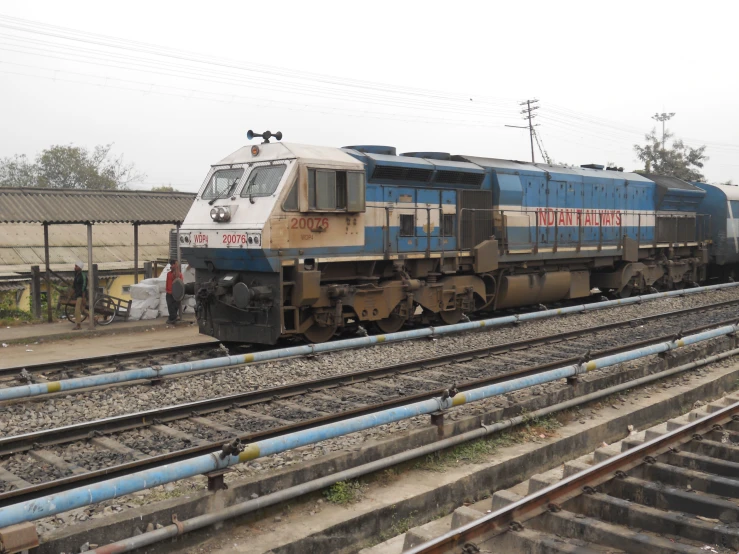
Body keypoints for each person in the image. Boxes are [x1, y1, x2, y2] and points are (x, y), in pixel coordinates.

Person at [165, 259, 183, 324]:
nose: (171, 266)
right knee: (170, 306)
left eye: (173, 265)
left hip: (176, 294)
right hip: (169, 293)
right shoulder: (168, 274)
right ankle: (173, 318)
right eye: (171, 265)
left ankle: (172, 318)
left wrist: (176, 268)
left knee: (175, 307)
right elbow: (167, 282)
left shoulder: (179, 275)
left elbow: (180, 283)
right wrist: (167, 290)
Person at [72, 261, 87, 330]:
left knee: (77, 310)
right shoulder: (76, 275)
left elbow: (84, 287)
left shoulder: (83, 276)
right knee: (82, 310)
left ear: (80, 268)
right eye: (75, 266)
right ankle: (94, 318)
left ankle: (78, 325)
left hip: (81, 295)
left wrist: (83, 298)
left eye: (76, 266)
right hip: (77, 294)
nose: (75, 267)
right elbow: (74, 286)